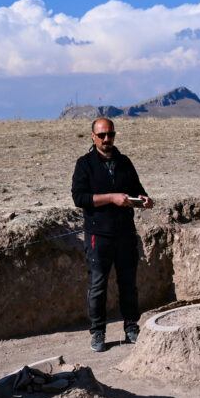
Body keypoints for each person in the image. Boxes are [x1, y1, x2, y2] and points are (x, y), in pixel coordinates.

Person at [72, 117, 154, 353]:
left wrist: (145, 201)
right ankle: (98, 332)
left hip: (125, 233)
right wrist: (112, 198)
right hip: (99, 234)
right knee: (98, 285)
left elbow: (138, 191)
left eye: (110, 134)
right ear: (93, 137)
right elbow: (80, 198)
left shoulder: (124, 162)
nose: (107, 139)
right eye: (102, 135)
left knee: (128, 284)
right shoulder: (85, 164)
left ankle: (131, 327)